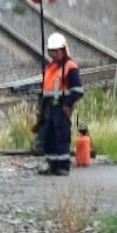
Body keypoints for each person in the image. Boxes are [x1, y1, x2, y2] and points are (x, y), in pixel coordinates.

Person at [37, 32, 83, 176]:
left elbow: (78, 90)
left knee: (61, 135)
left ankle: (63, 166)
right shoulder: (50, 68)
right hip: (50, 106)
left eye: (55, 51)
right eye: (51, 51)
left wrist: (67, 104)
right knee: (49, 136)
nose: (53, 54)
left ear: (63, 50)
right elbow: (46, 89)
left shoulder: (70, 67)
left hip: (62, 106)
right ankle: (51, 164)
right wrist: (42, 108)